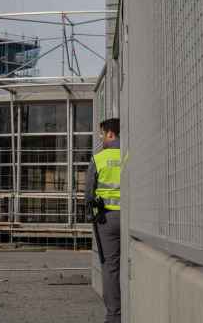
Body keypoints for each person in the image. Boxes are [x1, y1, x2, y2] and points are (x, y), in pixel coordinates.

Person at [85, 118, 121, 323]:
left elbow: (89, 194)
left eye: (101, 134)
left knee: (110, 268)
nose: (100, 137)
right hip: (131, 219)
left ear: (110, 134)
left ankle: (114, 316)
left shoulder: (98, 158)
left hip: (106, 220)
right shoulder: (129, 155)